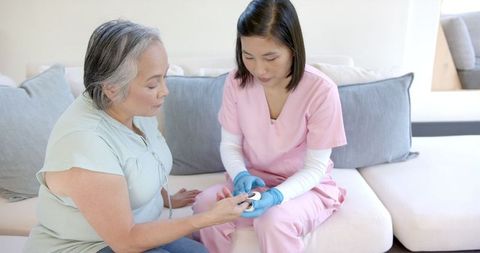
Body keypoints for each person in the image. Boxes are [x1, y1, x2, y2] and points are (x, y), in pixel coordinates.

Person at [24, 19, 249, 253]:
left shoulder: (132, 109)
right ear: (111, 88)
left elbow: (139, 160)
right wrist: (207, 218)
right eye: (153, 84)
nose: (165, 91)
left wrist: (164, 198)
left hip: (135, 232)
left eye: (164, 77)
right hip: (90, 246)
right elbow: (126, 242)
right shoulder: (85, 143)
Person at [192, 0, 347, 252]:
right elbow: (230, 144)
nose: (259, 69)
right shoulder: (237, 81)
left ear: (293, 49)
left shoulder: (321, 90)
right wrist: (240, 174)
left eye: (270, 57)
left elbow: (315, 167)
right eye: (248, 56)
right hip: (255, 181)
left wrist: (277, 196)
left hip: (305, 186)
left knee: (273, 220)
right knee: (206, 206)